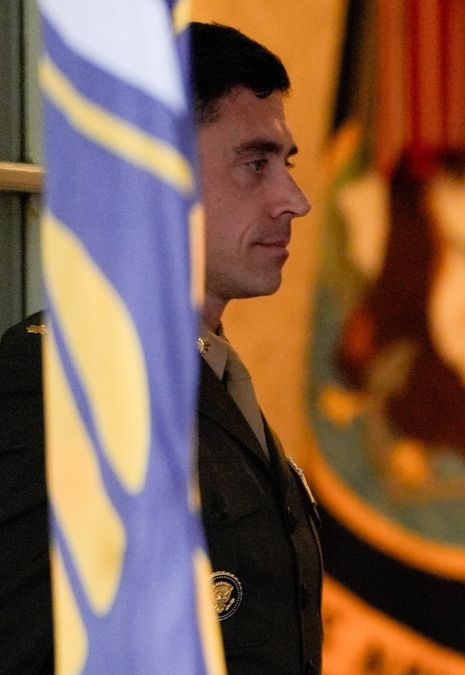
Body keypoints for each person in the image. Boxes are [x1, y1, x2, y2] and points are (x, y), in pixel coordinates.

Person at [0, 22, 321, 675]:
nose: (294, 199)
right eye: (255, 163)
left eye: (285, 164)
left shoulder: (212, 376)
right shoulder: (64, 382)